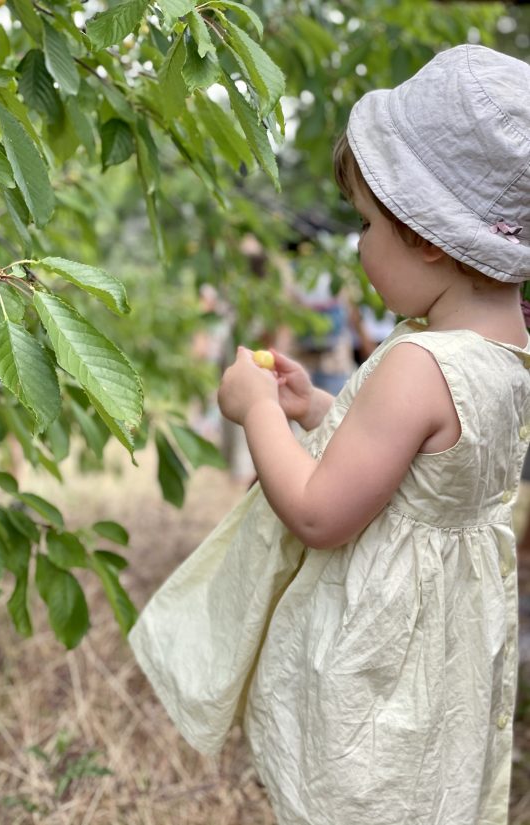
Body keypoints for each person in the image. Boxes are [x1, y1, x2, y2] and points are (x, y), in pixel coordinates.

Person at [129, 44, 530, 825]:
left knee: (358, 796)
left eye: (365, 222)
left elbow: (318, 511)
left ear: (426, 235)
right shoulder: (506, 352)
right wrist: (319, 408)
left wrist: (259, 415)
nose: (357, 243)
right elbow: (421, 465)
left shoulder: (418, 361)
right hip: (445, 662)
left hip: (379, 667)